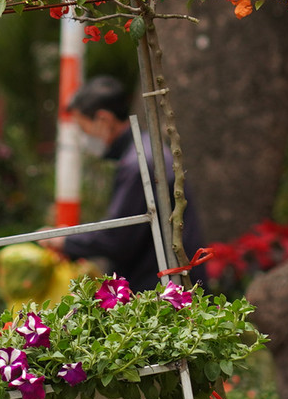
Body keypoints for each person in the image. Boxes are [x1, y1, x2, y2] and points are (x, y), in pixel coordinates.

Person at [52, 76, 204, 291]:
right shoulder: (144, 150)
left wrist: (65, 241)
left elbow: (117, 237)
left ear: (103, 119)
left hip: (162, 286)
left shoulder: (139, 164)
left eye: (82, 128)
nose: (83, 137)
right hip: (171, 278)